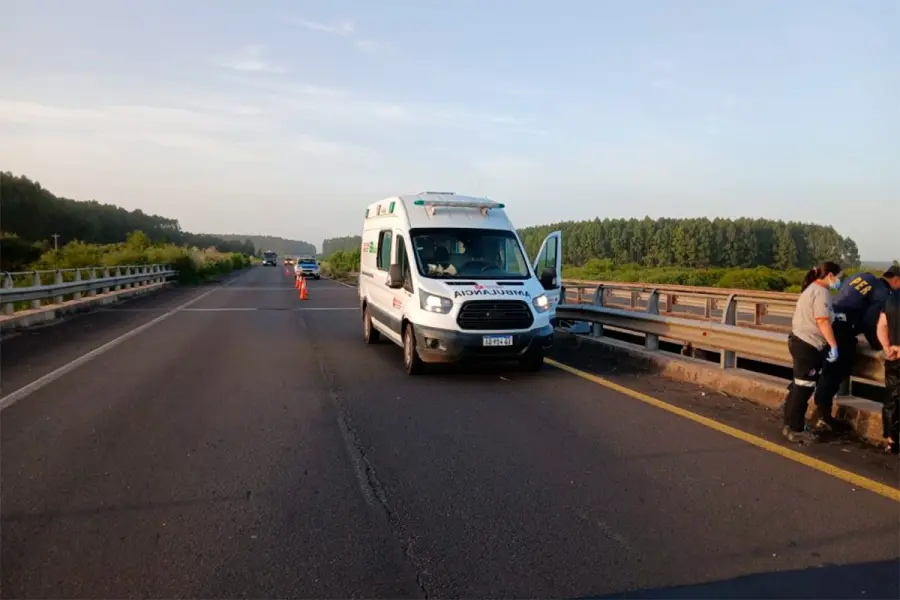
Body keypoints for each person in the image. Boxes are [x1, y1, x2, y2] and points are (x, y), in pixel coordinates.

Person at [814, 265, 900, 431]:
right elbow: (870, 321)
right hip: (842, 330)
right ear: (896, 280)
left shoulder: (859, 276)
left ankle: (818, 414)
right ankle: (822, 417)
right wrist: (878, 345)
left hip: (830, 325)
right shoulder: (883, 293)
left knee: (825, 371)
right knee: (835, 373)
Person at [782, 261, 842, 444]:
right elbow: (822, 321)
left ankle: (790, 424)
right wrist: (833, 345)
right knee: (803, 388)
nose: (839, 281)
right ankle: (796, 428)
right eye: (839, 277)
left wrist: (836, 316)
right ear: (830, 275)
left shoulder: (812, 289)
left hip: (800, 341)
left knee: (798, 386)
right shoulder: (821, 292)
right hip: (808, 345)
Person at [876, 287, 900, 454]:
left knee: (892, 398)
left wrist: (887, 347)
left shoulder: (892, 298)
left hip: (893, 357)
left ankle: (891, 441)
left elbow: (882, 325)